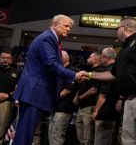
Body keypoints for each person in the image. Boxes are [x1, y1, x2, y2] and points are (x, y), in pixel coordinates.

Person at [82, 17, 136, 145]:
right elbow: (112, 75)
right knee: (128, 140)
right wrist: (88, 74)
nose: (116, 32)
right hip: (129, 100)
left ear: (125, 28)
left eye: (117, 29)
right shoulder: (123, 50)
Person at [13, 14, 85, 145]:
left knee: (26, 132)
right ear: (54, 24)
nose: (68, 29)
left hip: (35, 92)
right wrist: (74, 75)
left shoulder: (52, 39)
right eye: (66, 25)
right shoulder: (48, 38)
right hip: (35, 92)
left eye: (70, 27)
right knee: (25, 133)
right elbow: (51, 64)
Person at [48, 51, 80, 145]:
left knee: (57, 135)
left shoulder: (73, 71)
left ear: (64, 58)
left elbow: (67, 90)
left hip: (64, 108)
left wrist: (53, 98)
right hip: (54, 107)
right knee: (51, 134)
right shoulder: (58, 71)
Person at [92, 47, 120, 145]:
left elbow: (103, 94)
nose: (100, 59)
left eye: (102, 57)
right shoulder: (118, 69)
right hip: (114, 113)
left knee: (101, 141)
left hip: (105, 113)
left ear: (106, 57)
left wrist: (96, 111)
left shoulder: (109, 71)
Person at [74, 52, 102, 145]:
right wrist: (77, 96)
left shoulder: (99, 72)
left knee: (88, 136)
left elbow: (94, 89)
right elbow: (82, 86)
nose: (87, 59)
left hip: (90, 106)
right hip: (81, 106)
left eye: (90, 57)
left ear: (95, 60)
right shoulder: (88, 71)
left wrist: (80, 98)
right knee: (79, 131)